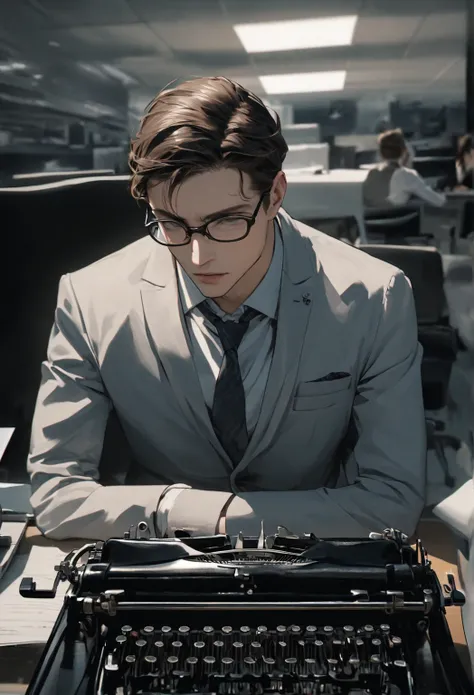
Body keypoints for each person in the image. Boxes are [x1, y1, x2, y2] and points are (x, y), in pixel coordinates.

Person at [27, 76, 426, 541]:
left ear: (275, 195)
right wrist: (181, 509)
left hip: (311, 569)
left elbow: (393, 501)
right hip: (155, 570)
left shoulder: (375, 297)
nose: (198, 256)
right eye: (172, 223)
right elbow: (55, 494)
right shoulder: (90, 298)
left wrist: (211, 518)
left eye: (227, 221)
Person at [363, 129, 446, 209]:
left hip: (370, 221)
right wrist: (445, 194)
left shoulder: (372, 174)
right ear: (404, 151)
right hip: (399, 220)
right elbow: (439, 201)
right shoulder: (406, 175)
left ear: (380, 152)